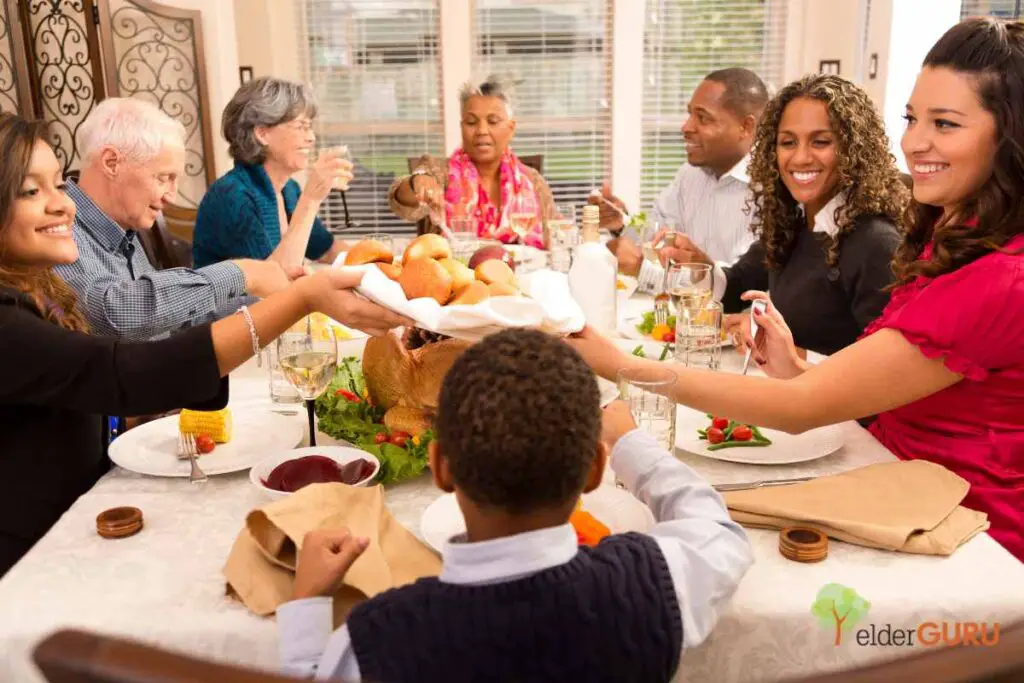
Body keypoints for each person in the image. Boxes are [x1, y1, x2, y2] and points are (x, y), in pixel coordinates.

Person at [569, 17, 1024, 562]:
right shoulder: (952, 240)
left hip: (965, 538)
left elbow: (801, 408)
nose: (915, 142)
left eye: (945, 124)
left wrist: (619, 362)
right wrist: (799, 368)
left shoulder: (1000, 278)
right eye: (911, 118)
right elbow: (874, 391)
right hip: (894, 483)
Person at [0, 113, 410, 575]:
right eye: (32, 191)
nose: (65, 206)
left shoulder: (39, 286)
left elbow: (80, 391)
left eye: (59, 183)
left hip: (82, 519)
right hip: (31, 562)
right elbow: (120, 370)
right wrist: (296, 299)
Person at [278, 329, 752, 682]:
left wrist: (308, 601)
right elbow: (717, 530)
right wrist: (630, 442)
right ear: (594, 470)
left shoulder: (376, 640)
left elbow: (314, 673)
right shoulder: (652, 584)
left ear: (441, 467)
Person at [666, 74, 908, 356]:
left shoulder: (876, 243)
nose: (800, 157)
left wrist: (789, 354)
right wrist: (701, 267)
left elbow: (883, 372)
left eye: (820, 142)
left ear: (853, 150)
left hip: (822, 398)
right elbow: (737, 287)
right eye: (788, 142)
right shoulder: (793, 220)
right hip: (783, 391)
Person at [54, 98, 294, 341]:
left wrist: (271, 301)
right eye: (163, 178)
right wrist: (242, 273)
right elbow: (114, 313)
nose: (171, 196)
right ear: (111, 163)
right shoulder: (57, 229)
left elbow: (172, 322)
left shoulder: (123, 229)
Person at [591, 68, 769, 291]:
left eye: (702, 118)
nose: (686, 127)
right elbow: (658, 237)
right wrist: (621, 223)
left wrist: (642, 269)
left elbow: (734, 286)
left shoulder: (771, 191)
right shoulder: (690, 174)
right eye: (690, 114)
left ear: (746, 127)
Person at [192, 77, 353, 269]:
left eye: (309, 127)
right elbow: (273, 282)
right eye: (301, 127)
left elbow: (326, 249)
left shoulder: (289, 190)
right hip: (246, 300)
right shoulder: (232, 196)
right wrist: (311, 200)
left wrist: (381, 259)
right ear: (262, 134)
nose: (311, 138)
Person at [388, 75, 556, 248]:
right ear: (462, 127)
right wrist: (418, 181)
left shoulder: (532, 180)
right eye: (471, 122)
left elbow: (555, 235)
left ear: (511, 128)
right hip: (455, 273)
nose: (482, 130)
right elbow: (400, 201)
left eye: (493, 121)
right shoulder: (439, 171)